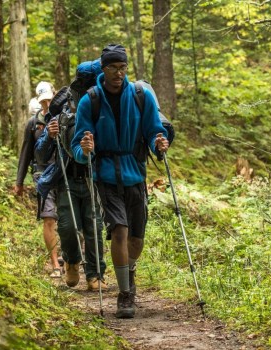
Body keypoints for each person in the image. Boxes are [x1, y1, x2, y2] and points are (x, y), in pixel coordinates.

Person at [71, 44, 169, 318]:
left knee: (136, 238)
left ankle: (130, 270)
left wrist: (159, 142)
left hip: (135, 173)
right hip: (104, 175)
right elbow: (78, 145)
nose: (118, 73)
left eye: (122, 67)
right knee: (120, 231)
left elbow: (153, 130)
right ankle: (125, 295)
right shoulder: (89, 101)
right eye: (113, 68)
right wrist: (85, 150)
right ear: (103, 69)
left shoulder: (141, 96)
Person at [35, 93, 108, 291]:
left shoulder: (99, 116)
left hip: (92, 179)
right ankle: (72, 262)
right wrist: (49, 136)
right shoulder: (59, 119)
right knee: (67, 226)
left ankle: (95, 273)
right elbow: (40, 155)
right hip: (67, 180)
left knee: (94, 226)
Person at [14, 81, 62, 278]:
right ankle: (55, 265)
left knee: (66, 219)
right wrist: (19, 182)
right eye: (43, 102)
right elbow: (26, 153)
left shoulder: (65, 118)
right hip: (41, 175)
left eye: (49, 100)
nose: (46, 105)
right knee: (49, 218)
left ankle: (69, 258)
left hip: (63, 172)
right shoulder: (33, 123)